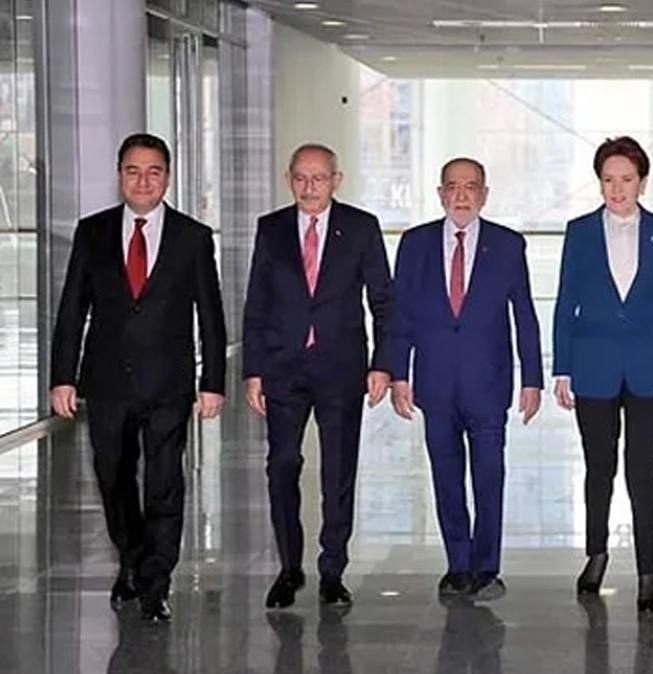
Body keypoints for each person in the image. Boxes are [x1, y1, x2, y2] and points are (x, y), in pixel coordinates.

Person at [50, 133, 227, 622]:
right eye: (133, 171)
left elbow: (211, 316)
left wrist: (213, 381)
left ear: (167, 178)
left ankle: (155, 582)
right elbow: (72, 309)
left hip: (169, 383)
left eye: (153, 172)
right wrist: (63, 376)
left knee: (165, 482)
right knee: (113, 476)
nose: (143, 181)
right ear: (120, 175)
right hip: (106, 382)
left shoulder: (192, 237)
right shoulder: (92, 233)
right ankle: (130, 557)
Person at [242, 143, 395, 609]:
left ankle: (333, 571)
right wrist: (253, 370)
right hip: (282, 367)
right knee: (282, 463)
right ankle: (290, 568)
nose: (309, 188)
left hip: (341, 367)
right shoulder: (271, 229)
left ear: (336, 180)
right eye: (301, 178)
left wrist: (383, 364)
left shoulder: (362, 228)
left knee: (338, 470)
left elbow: (383, 301)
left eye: (319, 178)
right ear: (289, 179)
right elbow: (256, 302)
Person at [390, 157, 543, 601]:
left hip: (488, 382)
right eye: (453, 187)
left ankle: (486, 567)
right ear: (440, 194)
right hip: (435, 382)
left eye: (471, 186)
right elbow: (401, 315)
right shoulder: (415, 244)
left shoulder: (507, 245)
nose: (461, 195)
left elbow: (525, 314)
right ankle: (458, 564)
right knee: (446, 475)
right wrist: (399, 373)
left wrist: (532, 378)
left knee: (490, 475)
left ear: (484, 194)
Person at [552, 137, 653, 613]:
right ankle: (596, 553)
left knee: (643, 471)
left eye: (626, 179)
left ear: (642, 182)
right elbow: (565, 301)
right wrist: (562, 367)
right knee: (598, 467)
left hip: (649, 365)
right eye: (608, 180)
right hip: (593, 365)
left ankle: (648, 569)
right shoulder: (580, 231)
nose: (617, 189)